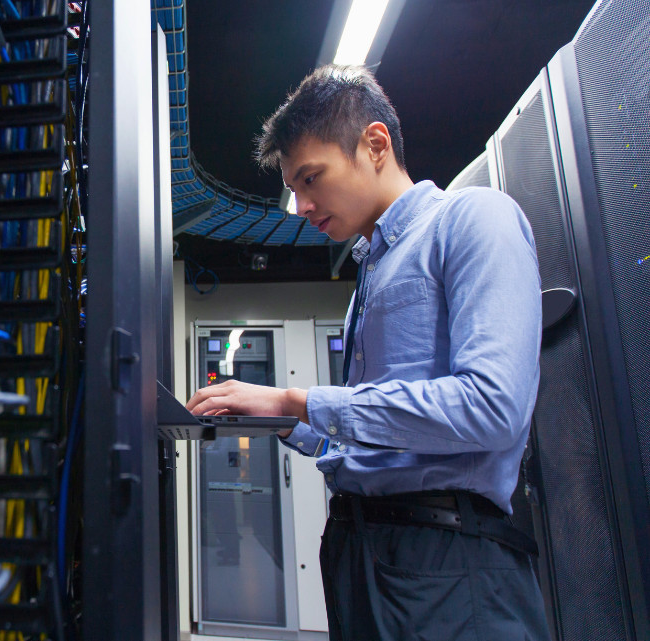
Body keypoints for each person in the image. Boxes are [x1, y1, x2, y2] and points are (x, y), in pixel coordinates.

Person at [185, 65, 550, 640]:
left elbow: (492, 407)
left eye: (310, 179)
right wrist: (281, 421)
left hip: (446, 562)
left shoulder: (473, 219)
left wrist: (299, 400)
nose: (300, 205)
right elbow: (378, 437)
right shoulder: (370, 276)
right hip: (365, 553)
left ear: (374, 144)